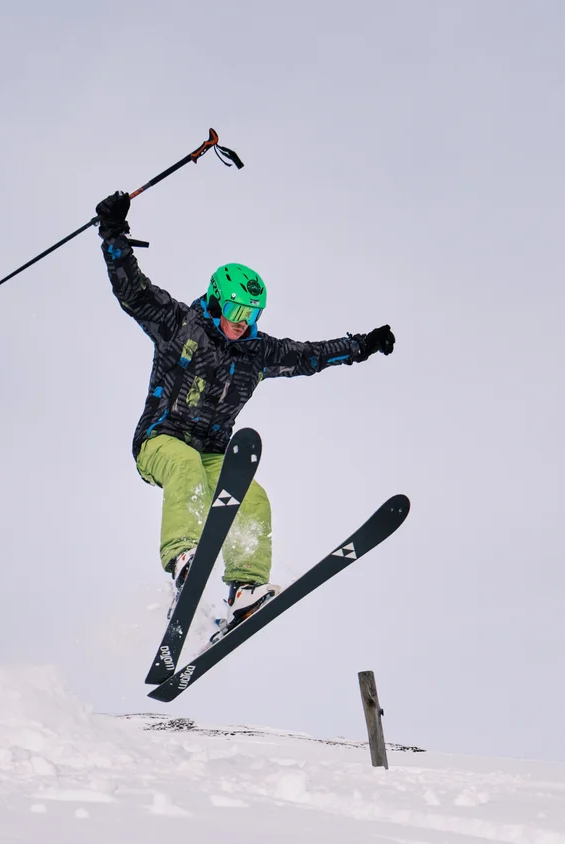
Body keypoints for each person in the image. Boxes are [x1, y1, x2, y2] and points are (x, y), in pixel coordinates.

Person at [95, 189, 395, 637]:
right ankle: (183, 557)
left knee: (253, 499)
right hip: (160, 440)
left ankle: (244, 590)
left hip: (213, 452)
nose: (242, 321)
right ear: (215, 301)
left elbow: (308, 355)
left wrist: (359, 347)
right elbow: (132, 292)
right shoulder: (178, 324)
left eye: (252, 314)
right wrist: (113, 233)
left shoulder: (256, 353)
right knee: (185, 466)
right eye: (235, 310)